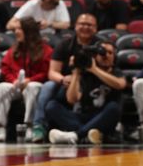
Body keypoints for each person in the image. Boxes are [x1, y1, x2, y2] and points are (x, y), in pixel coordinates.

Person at [30, 13, 98, 143]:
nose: (85, 27)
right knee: (48, 86)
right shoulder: (64, 44)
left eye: (89, 25)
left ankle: (76, 133)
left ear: (96, 28)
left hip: (93, 83)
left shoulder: (100, 45)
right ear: (75, 26)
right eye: (82, 24)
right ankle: (38, 125)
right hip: (67, 84)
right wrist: (63, 79)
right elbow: (52, 72)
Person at [47, 40, 125, 145]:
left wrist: (95, 70)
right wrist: (75, 73)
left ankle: (75, 135)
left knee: (114, 108)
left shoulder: (116, 72)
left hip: (103, 117)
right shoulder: (85, 73)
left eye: (110, 53)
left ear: (115, 57)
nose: (105, 55)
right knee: (52, 106)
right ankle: (90, 134)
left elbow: (120, 84)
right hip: (82, 117)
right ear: (95, 56)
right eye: (101, 52)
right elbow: (72, 99)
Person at [0, 17, 51, 143]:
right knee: (1, 87)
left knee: (32, 87)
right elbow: (5, 68)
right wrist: (13, 81)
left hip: (35, 85)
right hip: (17, 85)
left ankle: (30, 126)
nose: (16, 32)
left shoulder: (45, 50)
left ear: (29, 31)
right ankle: (0, 128)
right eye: (16, 29)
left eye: (20, 29)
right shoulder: (14, 49)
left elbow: (46, 72)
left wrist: (30, 79)